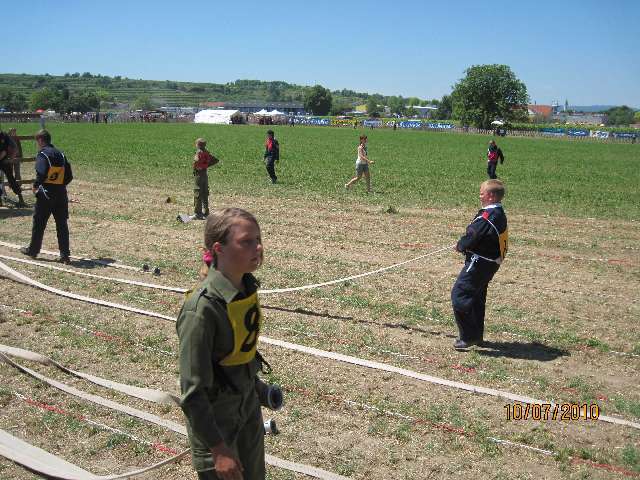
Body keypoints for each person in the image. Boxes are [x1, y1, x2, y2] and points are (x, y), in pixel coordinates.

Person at [177, 208, 273, 480]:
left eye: (258, 239)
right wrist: (218, 450)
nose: (258, 247)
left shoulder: (245, 289)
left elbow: (238, 355)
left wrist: (257, 389)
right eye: (247, 241)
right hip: (217, 426)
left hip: (247, 411)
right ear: (219, 249)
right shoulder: (201, 310)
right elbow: (193, 393)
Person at [451, 179, 508, 350]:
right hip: (489, 263)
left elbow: (473, 235)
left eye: (482, 193)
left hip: (479, 263)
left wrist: (461, 245)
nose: (480, 196)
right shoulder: (498, 213)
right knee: (476, 298)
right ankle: (476, 335)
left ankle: (468, 337)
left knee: (460, 295)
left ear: (491, 196)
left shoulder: (487, 217)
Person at [20, 129, 73, 264]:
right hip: (61, 194)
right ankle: (65, 255)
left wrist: (35, 186)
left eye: (37, 141)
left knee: (39, 223)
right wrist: (60, 186)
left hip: (46, 195)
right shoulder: (61, 154)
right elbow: (69, 176)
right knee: (62, 224)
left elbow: (42, 172)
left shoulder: (43, 154)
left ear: (40, 140)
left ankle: (33, 250)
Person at [193, 138, 219, 219]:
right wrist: (206, 166)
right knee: (205, 193)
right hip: (205, 174)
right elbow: (216, 160)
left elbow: (196, 161)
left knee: (197, 193)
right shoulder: (207, 152)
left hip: (198, 175)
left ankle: (198, 214)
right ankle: (206, 212)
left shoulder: (199, 152)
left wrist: (197, 167)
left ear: (198, 145)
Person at [0, 130, 26, 207]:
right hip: (4, 160)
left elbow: (8, 150)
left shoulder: (4, 135)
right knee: (11, 179)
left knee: (11, 179)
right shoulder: (4, 135)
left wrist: (11, 158)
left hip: (4, 160)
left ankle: (21, 199)